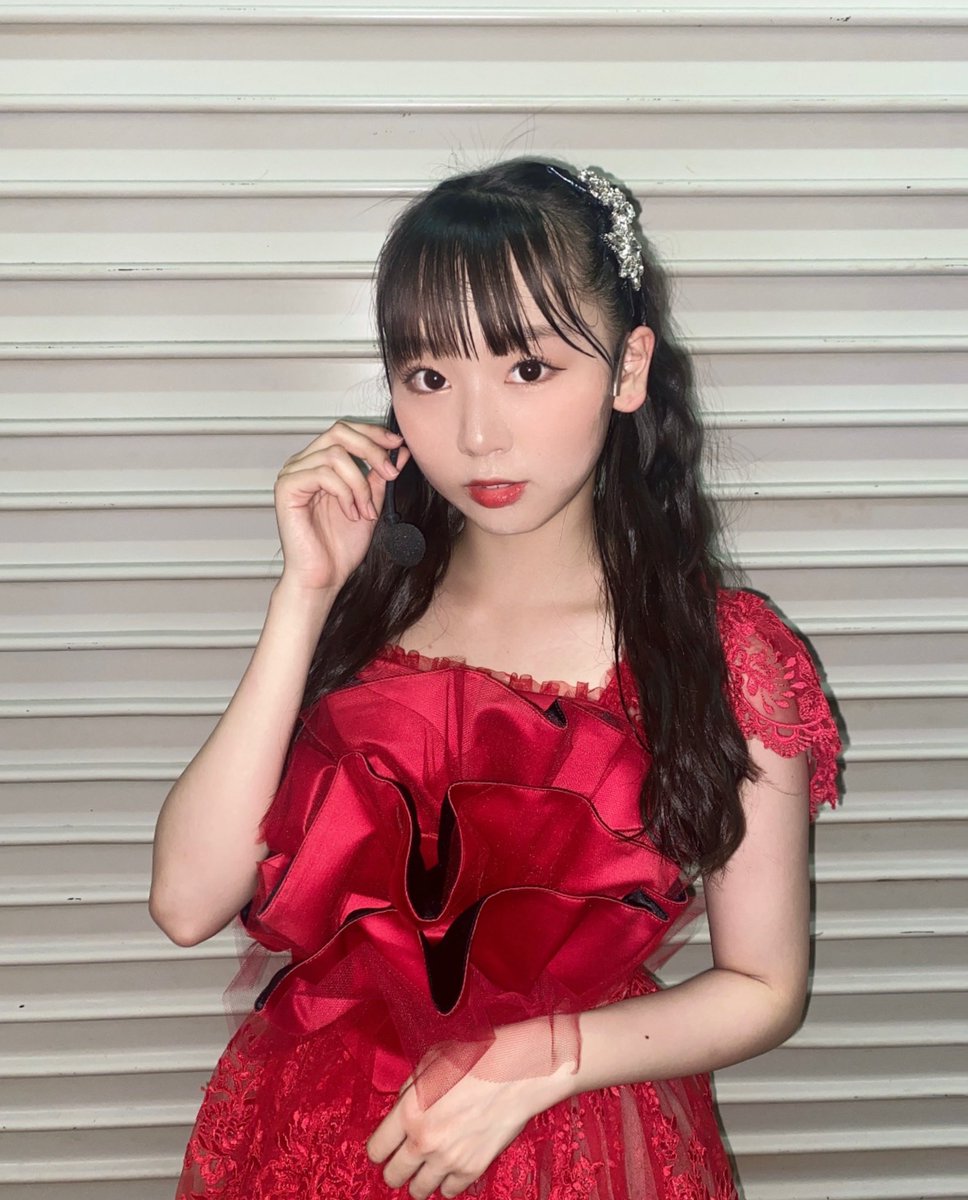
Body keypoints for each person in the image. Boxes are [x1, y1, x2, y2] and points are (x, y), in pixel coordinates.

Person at [150, 156, 843, 1200]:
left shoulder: (718, 653)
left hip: (571, 1138)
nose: (475, 434)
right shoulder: (365, 611)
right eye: (429, 378)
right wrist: (303, 595)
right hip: (317, 1130)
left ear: (627, 368)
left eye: (527, 368)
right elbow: (186, 902)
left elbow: (764, 984)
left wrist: (537, 1060)